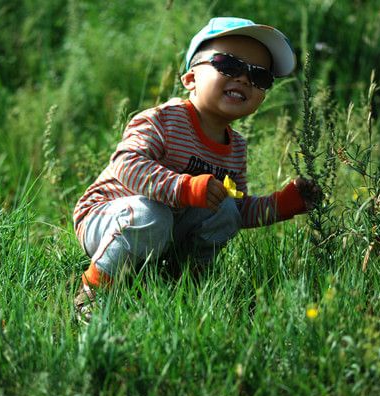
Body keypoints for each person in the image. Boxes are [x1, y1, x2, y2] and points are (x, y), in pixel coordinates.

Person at [72, 17, 322, 321]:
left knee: (225, 210)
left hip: (163, 230)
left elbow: (236, 210)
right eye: (228, 65)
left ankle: (184, 286)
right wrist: (185, 187)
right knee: (154, 214)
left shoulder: (236, 148)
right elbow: (126, 164)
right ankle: (94, 293)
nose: (244, 79)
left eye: (260, 76)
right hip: (107, 219)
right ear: (190, 79)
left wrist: (281, 205)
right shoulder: (161, 120)